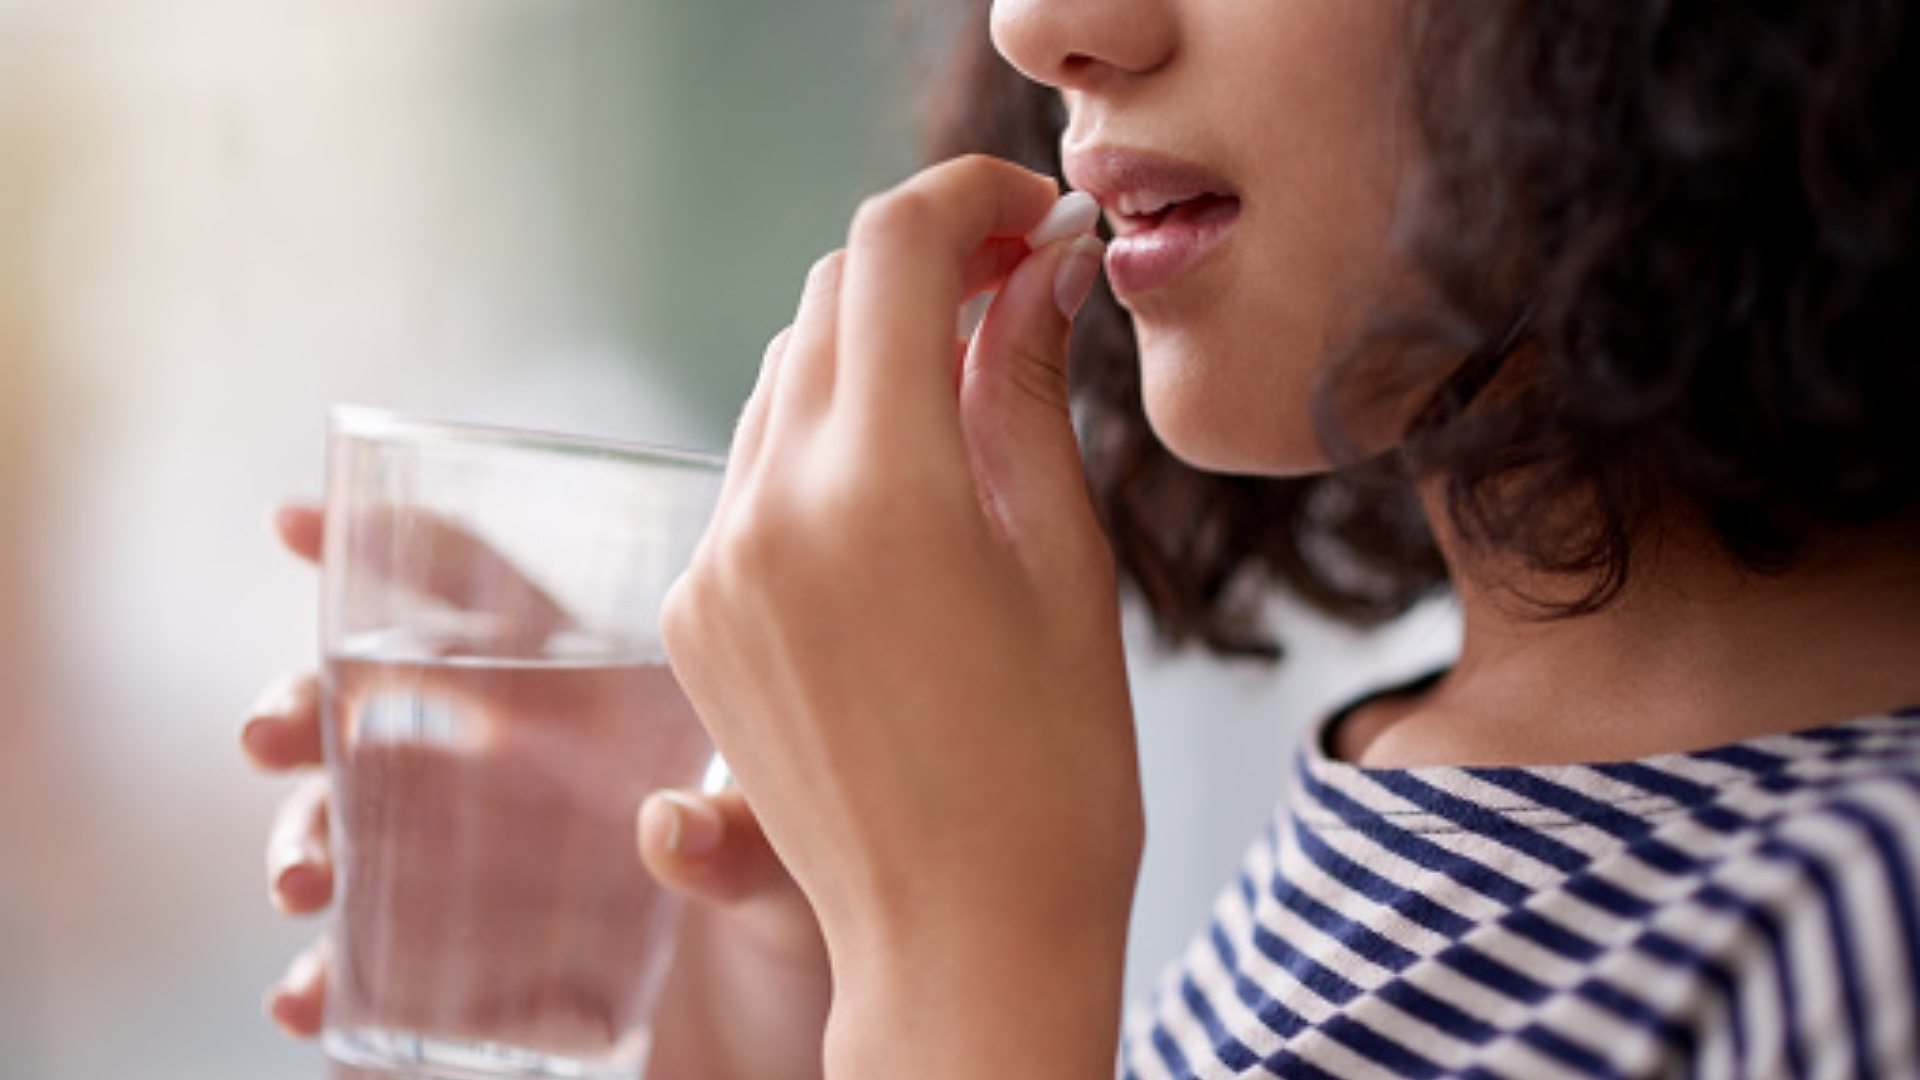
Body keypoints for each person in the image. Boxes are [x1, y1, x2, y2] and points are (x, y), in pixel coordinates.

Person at [241, 0, 1920, 1076]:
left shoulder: (1863, 939)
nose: (1041, 24)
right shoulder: (1416, 796)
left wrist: (963, 972)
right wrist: (803, 1006)